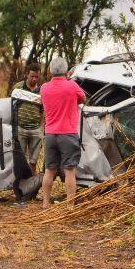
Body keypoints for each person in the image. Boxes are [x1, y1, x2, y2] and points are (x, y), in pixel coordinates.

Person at [39, 56, 85, 209]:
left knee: (49, 170)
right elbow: (83, 98)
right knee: (70, 171)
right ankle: (70, 206)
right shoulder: (71, 85)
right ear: (66, 70)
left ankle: (45, 203)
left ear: (51, 70)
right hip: (68, 134)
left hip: (50, 134)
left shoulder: (44, 88)